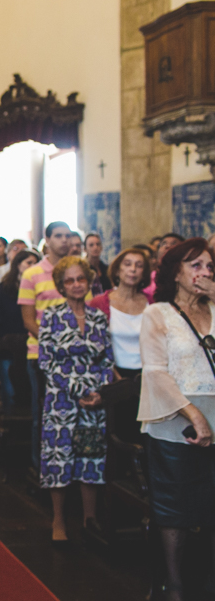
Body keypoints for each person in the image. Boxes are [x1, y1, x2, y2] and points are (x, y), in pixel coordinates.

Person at [137, 238, 215, 601]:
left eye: (209, 265)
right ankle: (173, 584)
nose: (205, 271)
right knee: (174, 506)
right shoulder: (158, 313)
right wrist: (195, 414)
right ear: (176, 272)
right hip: (175, 419)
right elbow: (156, 374)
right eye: (195, 265)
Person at [38, 256, 115, 543]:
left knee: (91, 457)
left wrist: (99, 392)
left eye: (80, 279)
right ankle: (58, 519)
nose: (76, 285)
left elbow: (108, 359)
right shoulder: (51, 316)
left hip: (94, 400)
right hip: (62, 399)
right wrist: (77, 391)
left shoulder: (97, 317)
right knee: (59, 457)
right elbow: (45, 362)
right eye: (69, 280)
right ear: (61, 285)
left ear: (89, 281)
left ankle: (89, 519)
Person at [19, 221, 76, 469]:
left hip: (75, 354)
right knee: (43, 413)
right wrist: (56, 343)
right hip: (41, 353)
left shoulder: (76, 271)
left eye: (67, 236)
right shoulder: (32, 274)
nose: (64, 240)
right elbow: (29, 321)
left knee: (72, 414)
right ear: (48, 239)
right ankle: (41, 466)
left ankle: (69, 465)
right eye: (59, 236)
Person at [0, 249, 41, 413]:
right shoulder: (1, 289)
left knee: (34, 393)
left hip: (32, 345)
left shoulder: (39, 290)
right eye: (29, 263)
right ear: (17, 265)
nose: (33, 267)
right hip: (6, 347)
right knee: (10, 392)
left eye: (36, 263)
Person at [87, 248, 152, 380]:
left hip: (148, 374)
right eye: (127, 264)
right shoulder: (99, 303)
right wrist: (115, 377)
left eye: (139, 266)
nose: (133, 269)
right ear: (117, 270)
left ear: (144, 273)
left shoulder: (153, 302)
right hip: (113, 376)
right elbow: (93, 346)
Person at [144, 233, 185, 298]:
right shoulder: (146, 279)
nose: (167, 246)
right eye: (163, 244)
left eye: (174, 244)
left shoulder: (186, 280)